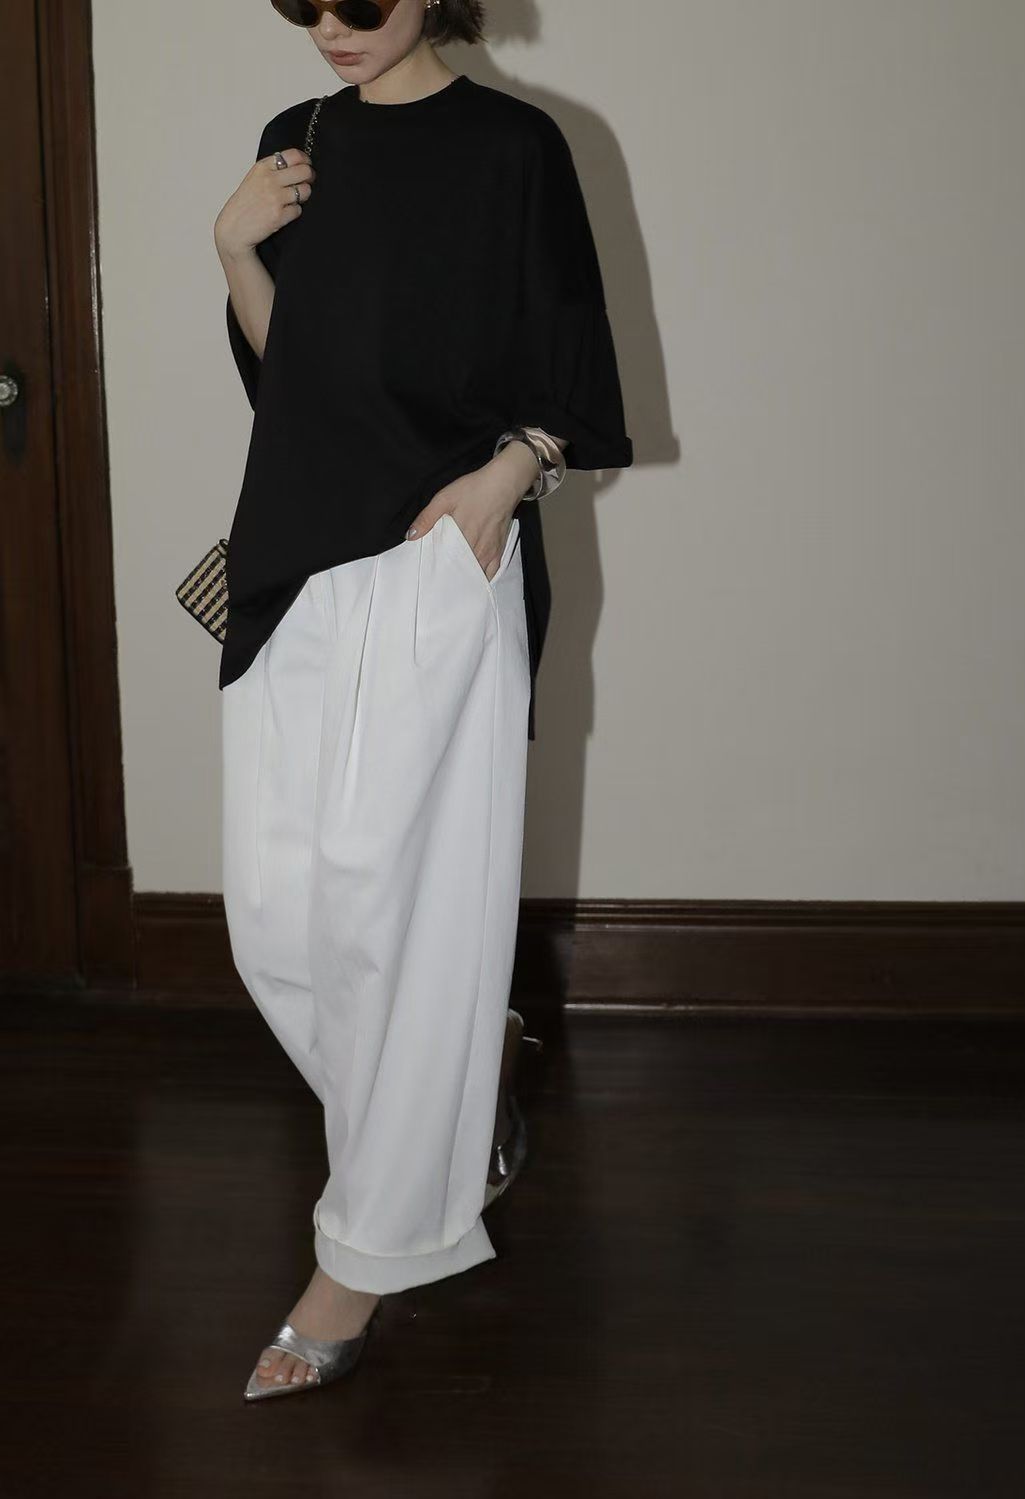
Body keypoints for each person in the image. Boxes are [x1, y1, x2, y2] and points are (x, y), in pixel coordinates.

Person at [214, 0, 632, 1402]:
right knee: (279, 918)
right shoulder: (297, 140)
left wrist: (504, 482)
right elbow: (297, 381)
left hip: (436, 558)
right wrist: (235, 248)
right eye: (304, 1)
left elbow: (569, 359)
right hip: (292, 560)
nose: (331, 27)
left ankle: (362, 1258)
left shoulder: (516, 149)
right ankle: (461, 1091)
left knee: (395, 920)